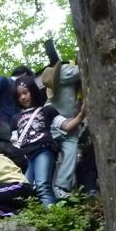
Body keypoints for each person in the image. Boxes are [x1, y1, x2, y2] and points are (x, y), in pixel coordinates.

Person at [10, 76, 86, 206]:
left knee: (42, 186)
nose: (23, 97)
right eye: (19, 95)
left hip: (43, 151)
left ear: (33, 91)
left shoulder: (47, 110)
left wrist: (81, 115)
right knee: (27, 191)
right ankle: (42, 216)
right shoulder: (15, 118)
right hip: (27, 157)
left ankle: (53, 218)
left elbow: (66, 126)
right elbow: (15, 141)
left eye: (25, 92)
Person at [42, 60, 82, 199]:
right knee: (49, 155)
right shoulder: (66, 71)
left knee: (71, 151)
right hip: (55, 122)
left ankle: (61, 186)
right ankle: (45, 187)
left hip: (69, 124)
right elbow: (82, 70)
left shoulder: (64, 72)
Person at [0, 65, 35, 142]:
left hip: (16, 127)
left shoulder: (20, 92)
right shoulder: (4, 80)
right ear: (24, 75)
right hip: (2, 123)